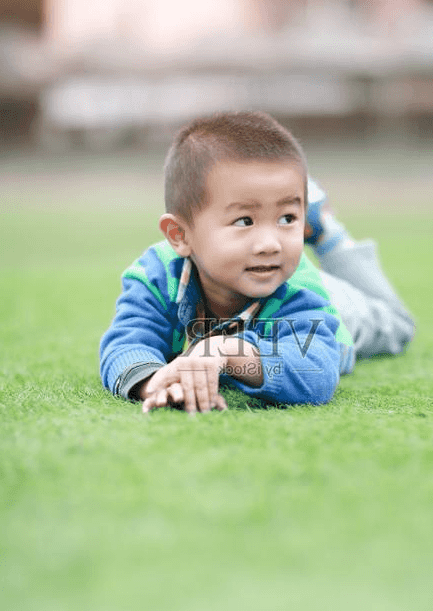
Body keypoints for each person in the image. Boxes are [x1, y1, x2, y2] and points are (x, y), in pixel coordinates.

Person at [100, 111, 414, 414]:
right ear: (181, 235)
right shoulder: (156, 277)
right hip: (269, 283)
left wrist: (226, 351)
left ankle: (326, 230)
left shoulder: (300, 289)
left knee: (396, 325)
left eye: (287, 218)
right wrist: (157, 383)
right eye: (244, 220)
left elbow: (316, 371)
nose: (269, 243)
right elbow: (126, 343)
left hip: (335, 310)